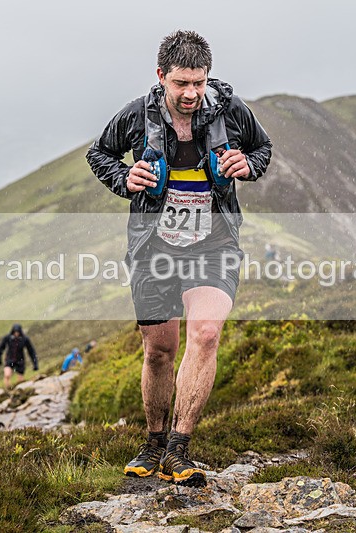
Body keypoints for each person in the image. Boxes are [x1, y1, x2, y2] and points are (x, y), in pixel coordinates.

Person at [86, 30, 272, 487]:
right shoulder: (135, 115)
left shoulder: (230, 112)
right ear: (161, 77)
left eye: (199, 83)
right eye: (181, 83)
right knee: (159, 350)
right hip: (155, 248)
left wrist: (249, 166)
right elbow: (99, 154)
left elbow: (262, 150)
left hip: (215, 244)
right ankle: (151, 444)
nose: (191, 94)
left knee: (206, 333)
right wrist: (124, 177)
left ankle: (178, 448)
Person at [0, 323, 38, 389]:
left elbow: (31, 351)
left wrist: (35, 364)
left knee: (21, 379)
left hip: (20, 361)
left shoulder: (25, 339)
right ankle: (8, 389)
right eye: (15, 332)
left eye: (18, 332)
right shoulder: (8, 338)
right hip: (9, 359)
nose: (16, 334)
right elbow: (1, 348)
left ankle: (20, 391)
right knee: (7, 375)